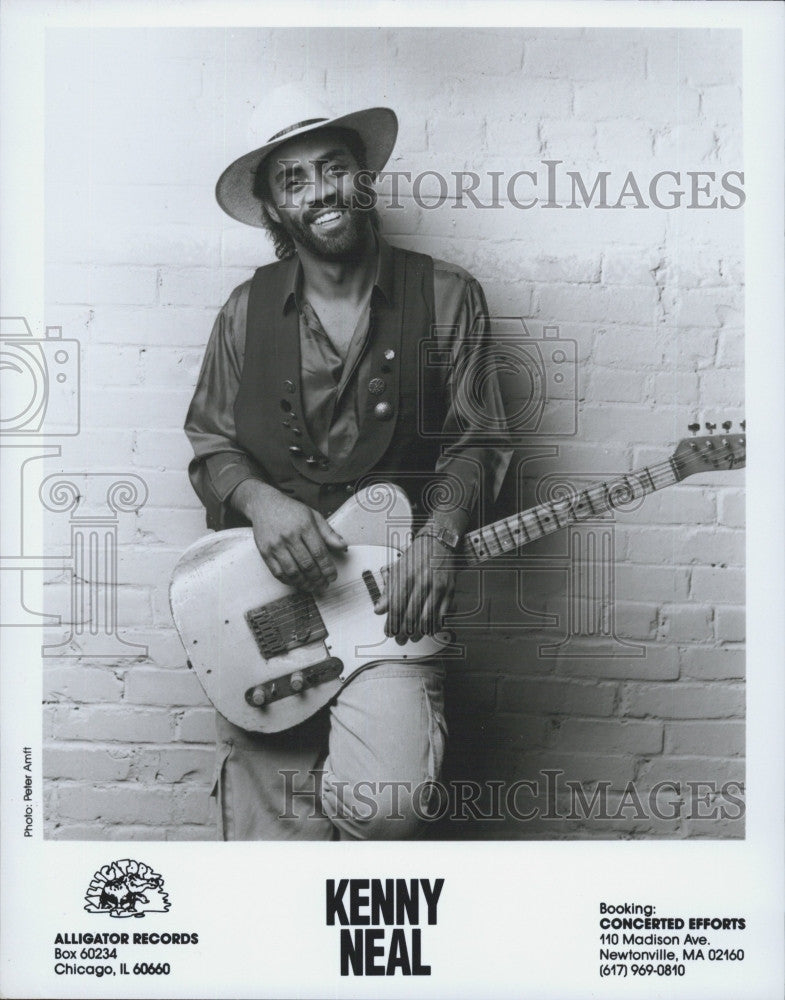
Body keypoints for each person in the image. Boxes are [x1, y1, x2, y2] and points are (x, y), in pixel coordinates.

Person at [185, 91, 510, 840]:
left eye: (333, 169)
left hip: (394, 601)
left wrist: (440, 533)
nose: (319, 190)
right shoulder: (243, 310)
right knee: (270, 844)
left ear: (362, 180)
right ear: (273, 208)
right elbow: (210, 441)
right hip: (267, 609)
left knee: (387, 806)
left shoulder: (449, 294)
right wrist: (262, 502)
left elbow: (477, 438)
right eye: (292, 180)